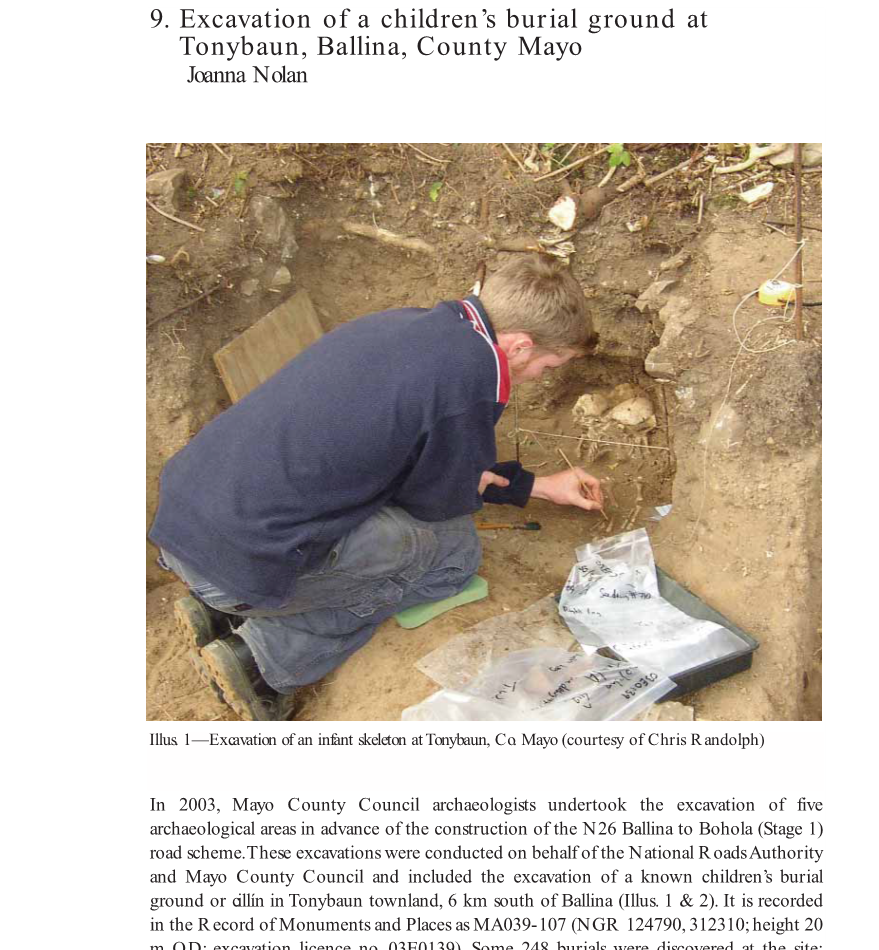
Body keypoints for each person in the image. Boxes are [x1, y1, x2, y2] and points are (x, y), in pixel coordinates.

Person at [150, 255, 603, 720]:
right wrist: (477, 487)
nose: (540, 377)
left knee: (367, 524)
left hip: (188, 521)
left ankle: (223, 611)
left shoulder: (405, 324)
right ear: (521, 346)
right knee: (452, 554)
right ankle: (265, 659)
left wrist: (537, 486)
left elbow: (406, 455)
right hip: (239, 563)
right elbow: (433, 501)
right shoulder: (476, 374)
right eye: (550, 366)